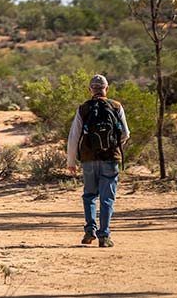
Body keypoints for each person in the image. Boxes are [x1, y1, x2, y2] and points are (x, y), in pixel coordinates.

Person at [67, 74, 130, 248]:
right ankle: (104, 235)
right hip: (110, 158)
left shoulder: (83, 108)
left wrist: (71, 162)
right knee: (107, 198)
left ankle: (89, 230)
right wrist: (116, 146)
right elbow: (126, 134)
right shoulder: (116, 106)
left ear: (90, 90)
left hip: (88, 159)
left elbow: (73, 137)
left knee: (89, 195)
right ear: (106, 89)